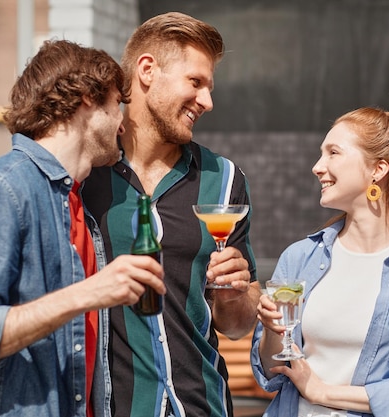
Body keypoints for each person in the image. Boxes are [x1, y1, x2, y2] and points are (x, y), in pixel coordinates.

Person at [0, 40, 166, 417]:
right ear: (85, 99)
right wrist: (88, 293)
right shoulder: (5, 188)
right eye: (116, 105)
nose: (123, 122)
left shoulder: (75, 201)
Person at [81, 12, 261, 417]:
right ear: (147, 70)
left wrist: (235, 294)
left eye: (209, 88)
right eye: (195, 83)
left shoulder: (225, 178)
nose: (208, 102)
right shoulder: (85, 173)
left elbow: (236, 323)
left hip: (205, 406)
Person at [251, 107, 389, 417]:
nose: (317, 167)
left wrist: (322, 392)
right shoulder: (300, 257)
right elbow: (272, 373)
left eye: (333, 153)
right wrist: (272, 331)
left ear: (378, 170)